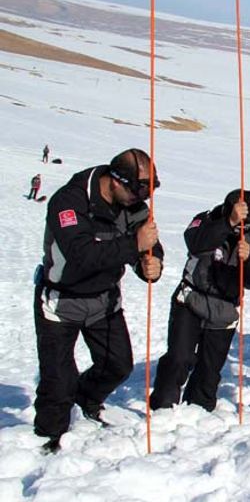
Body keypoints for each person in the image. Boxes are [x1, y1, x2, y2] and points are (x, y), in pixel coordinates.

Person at [33, 148, 162, 453]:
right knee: (58, 380)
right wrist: (134, 244)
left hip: (104, 301)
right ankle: (46, 437)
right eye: (137, 190)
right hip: (61, 300)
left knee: (117, 365)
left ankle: (86, 401)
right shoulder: (69, 201)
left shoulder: (133, 205)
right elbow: (82, 256)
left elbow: (149, 244)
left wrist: (151, 264)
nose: (140, 198)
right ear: (115, 181)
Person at [150, 190, 250, 412]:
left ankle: (199, 408)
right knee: (179, 357)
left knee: (210, 367)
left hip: (225, 308)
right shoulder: (206, 219)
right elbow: (194, 243)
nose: (239, 227)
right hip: (190, 297)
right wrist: (228, 223)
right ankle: (162, 405)